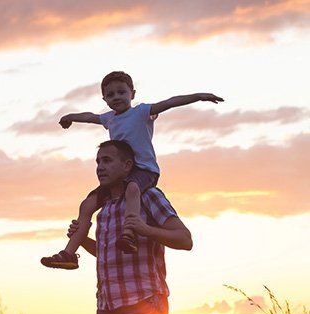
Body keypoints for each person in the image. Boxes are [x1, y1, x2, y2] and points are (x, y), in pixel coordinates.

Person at [40, 71, 220, 269]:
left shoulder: (141, 112)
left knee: (133, 189)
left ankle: (129, 234)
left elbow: (170, 102)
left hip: (144, 170)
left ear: (132, 94)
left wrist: (199, 96)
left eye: (121, 92)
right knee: (87, 204)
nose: (116, 97)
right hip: (120, 176)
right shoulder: (109, 119)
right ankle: (69, 253)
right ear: (105, 99)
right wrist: (70, 117)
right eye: (110, 95)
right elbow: (90, 116)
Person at [71, 140, 192, 314]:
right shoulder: (103, 210)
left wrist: (144, 229)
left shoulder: (148, 196)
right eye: (98, 162)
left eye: (107, 160)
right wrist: (81, 239)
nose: (100, 167)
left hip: (144, 305)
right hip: (107, 310)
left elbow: (185, 239)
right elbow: (106, 253)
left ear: (127, 166)